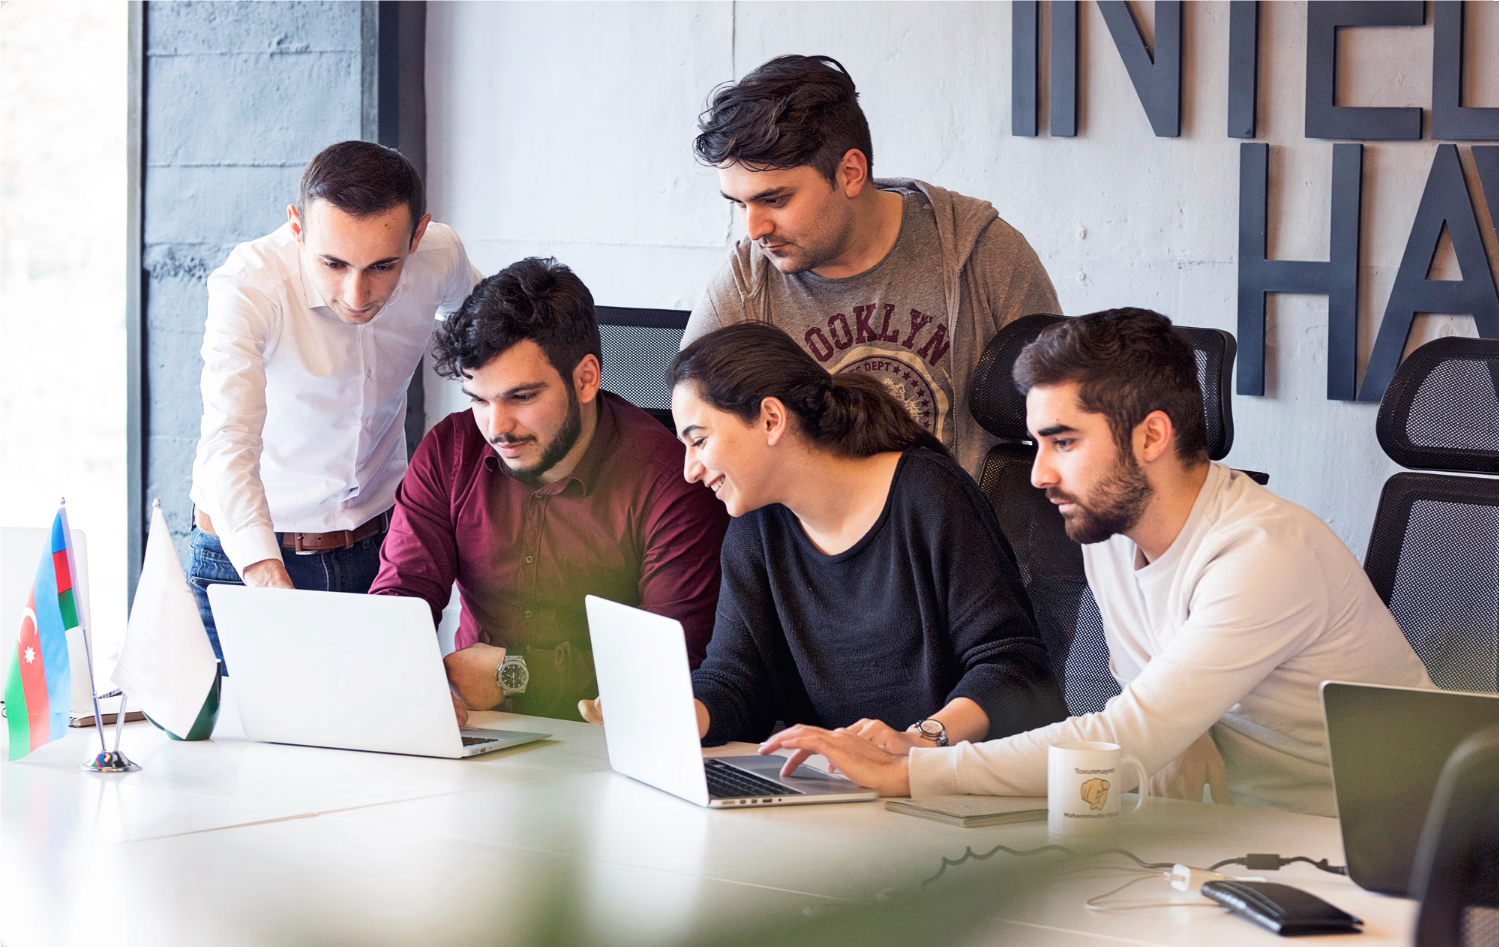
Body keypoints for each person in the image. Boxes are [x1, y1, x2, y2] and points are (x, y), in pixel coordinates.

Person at [762, 308, 1433, 817]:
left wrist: (913, 771)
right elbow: (1162, 735)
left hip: (1381, 845)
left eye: (1062, 442)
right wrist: (918, 746)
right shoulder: (1111, 535)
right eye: (1035, 443)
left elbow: (1126, 735)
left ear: (1150, 436)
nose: (1039, 473)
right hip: (1240, 837)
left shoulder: (1261, 554)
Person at [582, 323, 1067, 748]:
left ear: (771, 419)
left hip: (951, 788)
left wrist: (916, 741)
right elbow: (736, 681)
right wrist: (675, 713)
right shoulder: (756, 527)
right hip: (832, 792)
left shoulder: (927, 496)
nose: (689, 470)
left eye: (699, 440)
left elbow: (1014, 666)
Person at [369, 257, 729, 723]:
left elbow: (670, 663)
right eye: (479, 399)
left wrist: (513, 674)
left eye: (522, 397)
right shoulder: (449, 451)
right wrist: (405, 677)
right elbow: (400, 599)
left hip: (605, 739)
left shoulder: (671, 482)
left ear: (586, 379)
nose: (497, 428)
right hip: (479, 730)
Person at [683, 54, 1061, 480]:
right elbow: (699, 440)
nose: (754, 229)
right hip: (811, 543)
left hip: (956, 539)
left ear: (850, 172)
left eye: (775, 199)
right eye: (739, 204)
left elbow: (1066, 413)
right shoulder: (744, 288)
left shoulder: (982, 252)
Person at [189, 140, 482, 668]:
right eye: (333, 263)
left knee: (386, 743)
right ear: (298, 229)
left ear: (417, 235)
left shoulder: (440, 255)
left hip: (377, 552)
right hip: (251, 558)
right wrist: (264, 574)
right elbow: (227, 442)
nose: (356, 293)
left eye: (383, 266)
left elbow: (494, 334)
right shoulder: (250, 285)